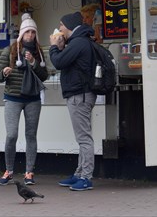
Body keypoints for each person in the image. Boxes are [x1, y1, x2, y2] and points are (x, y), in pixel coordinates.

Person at [0, 13, 48, 186]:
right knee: (11, 135)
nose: (30, 35)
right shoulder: (9, 51)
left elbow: (44, 75)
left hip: (33, 98)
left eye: (33, 32)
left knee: (31, 135)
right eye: (27, 32)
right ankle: (9, 170)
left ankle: (29, 172)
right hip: (13, 98)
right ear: (22, 34)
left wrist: (33, 63)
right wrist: (3, 73)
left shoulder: (38, 52)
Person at [49, 12, 96, 191]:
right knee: (82, 137)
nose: (59, 28)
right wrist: (61, 47)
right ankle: (79, 173)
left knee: (84, 138)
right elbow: (68, 61)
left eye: (61, 25)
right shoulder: (79, 41)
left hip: (79, 95)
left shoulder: (78, 42)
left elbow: (58, 62)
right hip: (81, 94)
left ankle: (86, 177)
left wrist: (54, 47)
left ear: (68, 26)